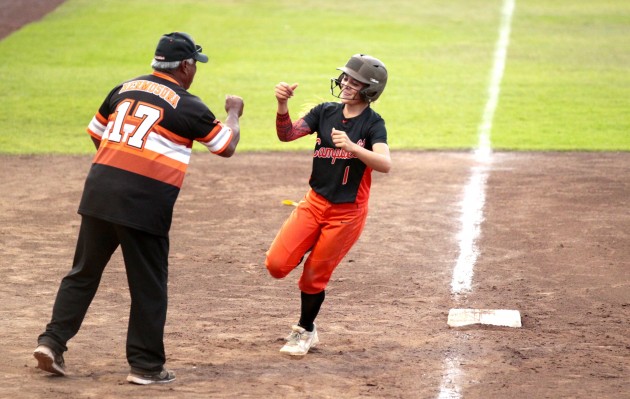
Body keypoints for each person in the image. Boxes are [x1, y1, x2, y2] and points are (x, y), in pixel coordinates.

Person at [33, 32, 244, 384]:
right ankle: (145, 367)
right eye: (195, 65)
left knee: (83, 273)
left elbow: (96, 131)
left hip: (99, 192)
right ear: (186, 66)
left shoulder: (123, 88)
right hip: (144, 205)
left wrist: (119, 166)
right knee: (148, 285)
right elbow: (225, 145)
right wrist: (234, 113)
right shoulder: (188, 103)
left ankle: (51, 344)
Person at [265, 54, 391, 356]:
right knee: (277, 265)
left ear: (370, 90)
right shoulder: (325, 112)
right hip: (314, 204)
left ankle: (304, 330)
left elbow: (385, 163)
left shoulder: (373, 124)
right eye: (345, 77)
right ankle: (305, 249)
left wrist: (351, 147)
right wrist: (282, 105)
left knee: (313, 277)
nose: (345, 83)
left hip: (347, 214)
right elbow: (287, 135)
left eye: (354, 81)